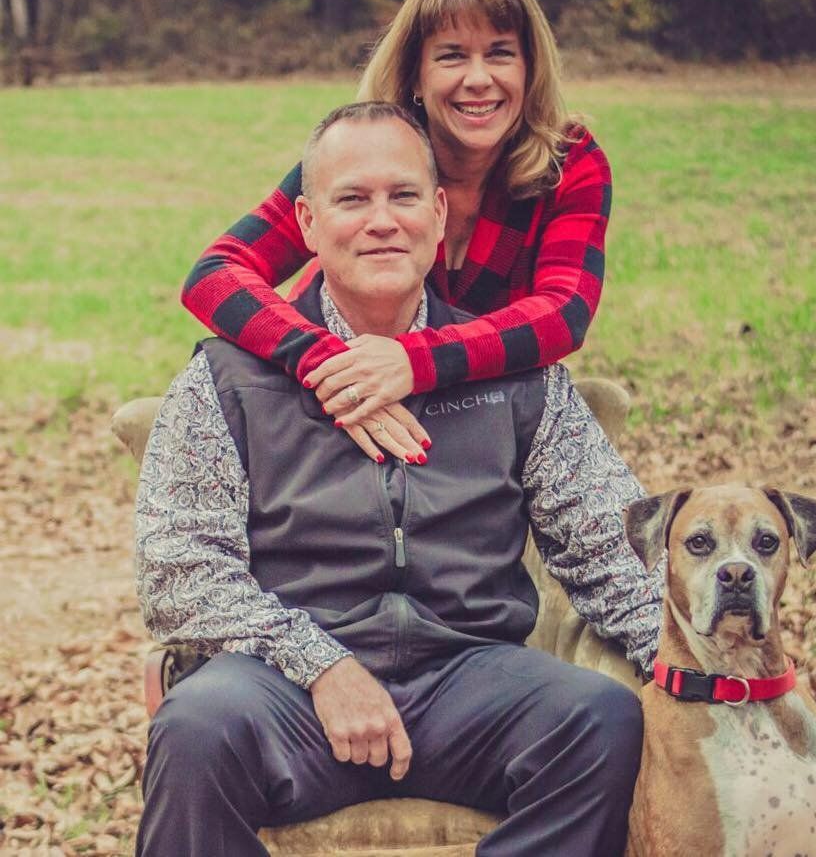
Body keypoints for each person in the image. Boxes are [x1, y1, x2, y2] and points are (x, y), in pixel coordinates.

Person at [135, 103, 663, 857]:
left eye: (403, 196)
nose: (381, 219)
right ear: (308, 224)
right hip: (284, 686)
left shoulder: (513, 374)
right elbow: (175, 570)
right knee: (194, 727)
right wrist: (321, 665)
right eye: (352, 199)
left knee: (602, 719)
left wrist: (716, 664)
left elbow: (613, 550)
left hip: (469, 679)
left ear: (440, 212)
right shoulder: (225, 378)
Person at [181, 0, 612, 463]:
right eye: (452, 55)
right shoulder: (372, 151)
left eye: (500, 53)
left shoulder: (569, 163)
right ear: (415, 74)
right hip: (337, 401)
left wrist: (416, 360)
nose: (479, 78)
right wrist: (327, 362)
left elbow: (565, 314)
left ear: (530, 67)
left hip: (473, 411)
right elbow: (215, 273)